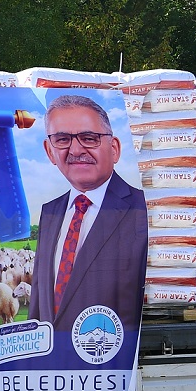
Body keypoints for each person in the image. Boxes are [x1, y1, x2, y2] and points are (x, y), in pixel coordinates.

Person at [28, 93, 147, 336]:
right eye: (62, 139)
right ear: (49, 151)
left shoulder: (142, 209)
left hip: (107, 351)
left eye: (89, 138)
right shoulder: (50, 213)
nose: (75, 149)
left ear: (114, 148)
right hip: (52, 355)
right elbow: (39, 302)